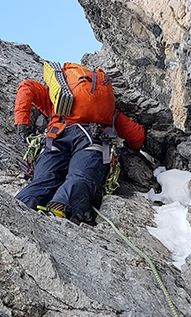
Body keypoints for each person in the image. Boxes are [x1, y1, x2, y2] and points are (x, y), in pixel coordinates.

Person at [14, 61, 145, 222]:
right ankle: (62, 205)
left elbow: (26, 87)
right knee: (80, 177)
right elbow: (137, 135)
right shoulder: (110, 113)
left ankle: (16, 210)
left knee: (44, 180)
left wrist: (22, 123)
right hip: (93, 138)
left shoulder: (56, 100)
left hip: (56, 137)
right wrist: (133, 147)